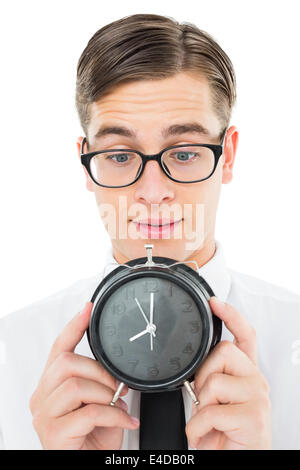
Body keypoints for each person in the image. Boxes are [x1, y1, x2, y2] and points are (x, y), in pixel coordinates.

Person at [1, 13, 299, 451]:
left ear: (228, 156)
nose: (153, 192)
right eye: (120, 156)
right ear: (87, 163)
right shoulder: (9, 355)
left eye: (183, 153)